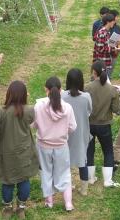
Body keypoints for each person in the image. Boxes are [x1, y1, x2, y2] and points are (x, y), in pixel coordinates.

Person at [0, 81, 39, 219]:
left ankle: (7, 208)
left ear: (9, 94)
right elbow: (30, 121)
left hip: (7, 152)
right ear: (24, 94)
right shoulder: (30, 110)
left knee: (8, 180)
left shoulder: (1, 112)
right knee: (24, 179)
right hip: (25, 150)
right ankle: (21, 208)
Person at [33, 77, 77, 211]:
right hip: (61, 145)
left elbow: (33, 125)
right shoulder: (67, 108)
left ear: (46, 89)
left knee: (46, 172)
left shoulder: (39, 106)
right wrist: (63, 132)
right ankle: (68, 203)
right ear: (60, 90)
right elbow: (73, 127)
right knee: (64, 173)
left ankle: (49, 201)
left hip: (43, 145)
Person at [84, 61, 120, 187]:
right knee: (108, 151)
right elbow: (117, 109)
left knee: (89, 150)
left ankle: (90, 178)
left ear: (94, 72)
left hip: (89, 124)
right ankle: (107, 180)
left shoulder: (86, 88)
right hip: (105, 125)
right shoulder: (112, 90)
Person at [62, 69, 92, 196]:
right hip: (81, 132)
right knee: (82, 159)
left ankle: (69, 185)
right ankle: (84, 189)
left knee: (66, 160)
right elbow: (90, 112)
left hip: (66, 131)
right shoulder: (86, 97)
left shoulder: (62, 96)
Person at [93, 14, 119, 78]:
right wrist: (113, 49)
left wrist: (115, 44)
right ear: (108, 22)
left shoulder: (108, 32)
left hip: (107, 61)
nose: (114, 22)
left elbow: (107, 45)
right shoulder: (102, 33)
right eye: (113, 21)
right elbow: (100, 48)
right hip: (102, 62)